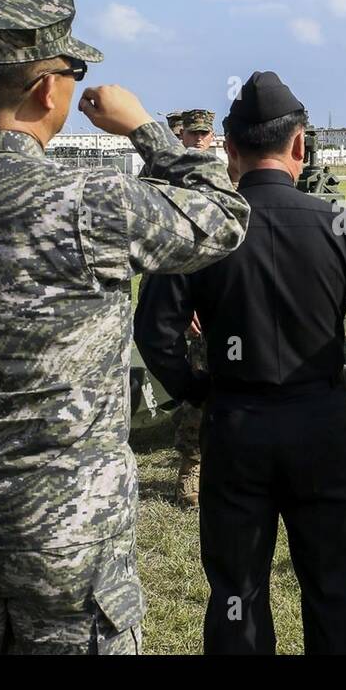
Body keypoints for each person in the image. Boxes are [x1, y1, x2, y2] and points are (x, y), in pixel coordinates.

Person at [0, 0, 250, 654]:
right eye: (73, 74)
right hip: (74, 540)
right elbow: (224, 216)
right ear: (44, 91)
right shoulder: (90, 202)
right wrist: (144, 128)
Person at [134, 71, 346, 654]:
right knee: (332, 592)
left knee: (237, 595)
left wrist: (202, 390)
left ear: (229, 152)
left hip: (237, 426)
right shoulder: (345, 222)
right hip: (324, 421)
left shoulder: (208, 230)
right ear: (300, 145)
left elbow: (155, 334)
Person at [151, 108, 217, 507]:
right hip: (187, 293)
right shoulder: (164, 179)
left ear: (212, 136)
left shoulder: (224, 179)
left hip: (222, 293)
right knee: (196, 386)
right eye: (189, 135)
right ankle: (190, 469)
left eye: (202, 134)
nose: (195, 140)